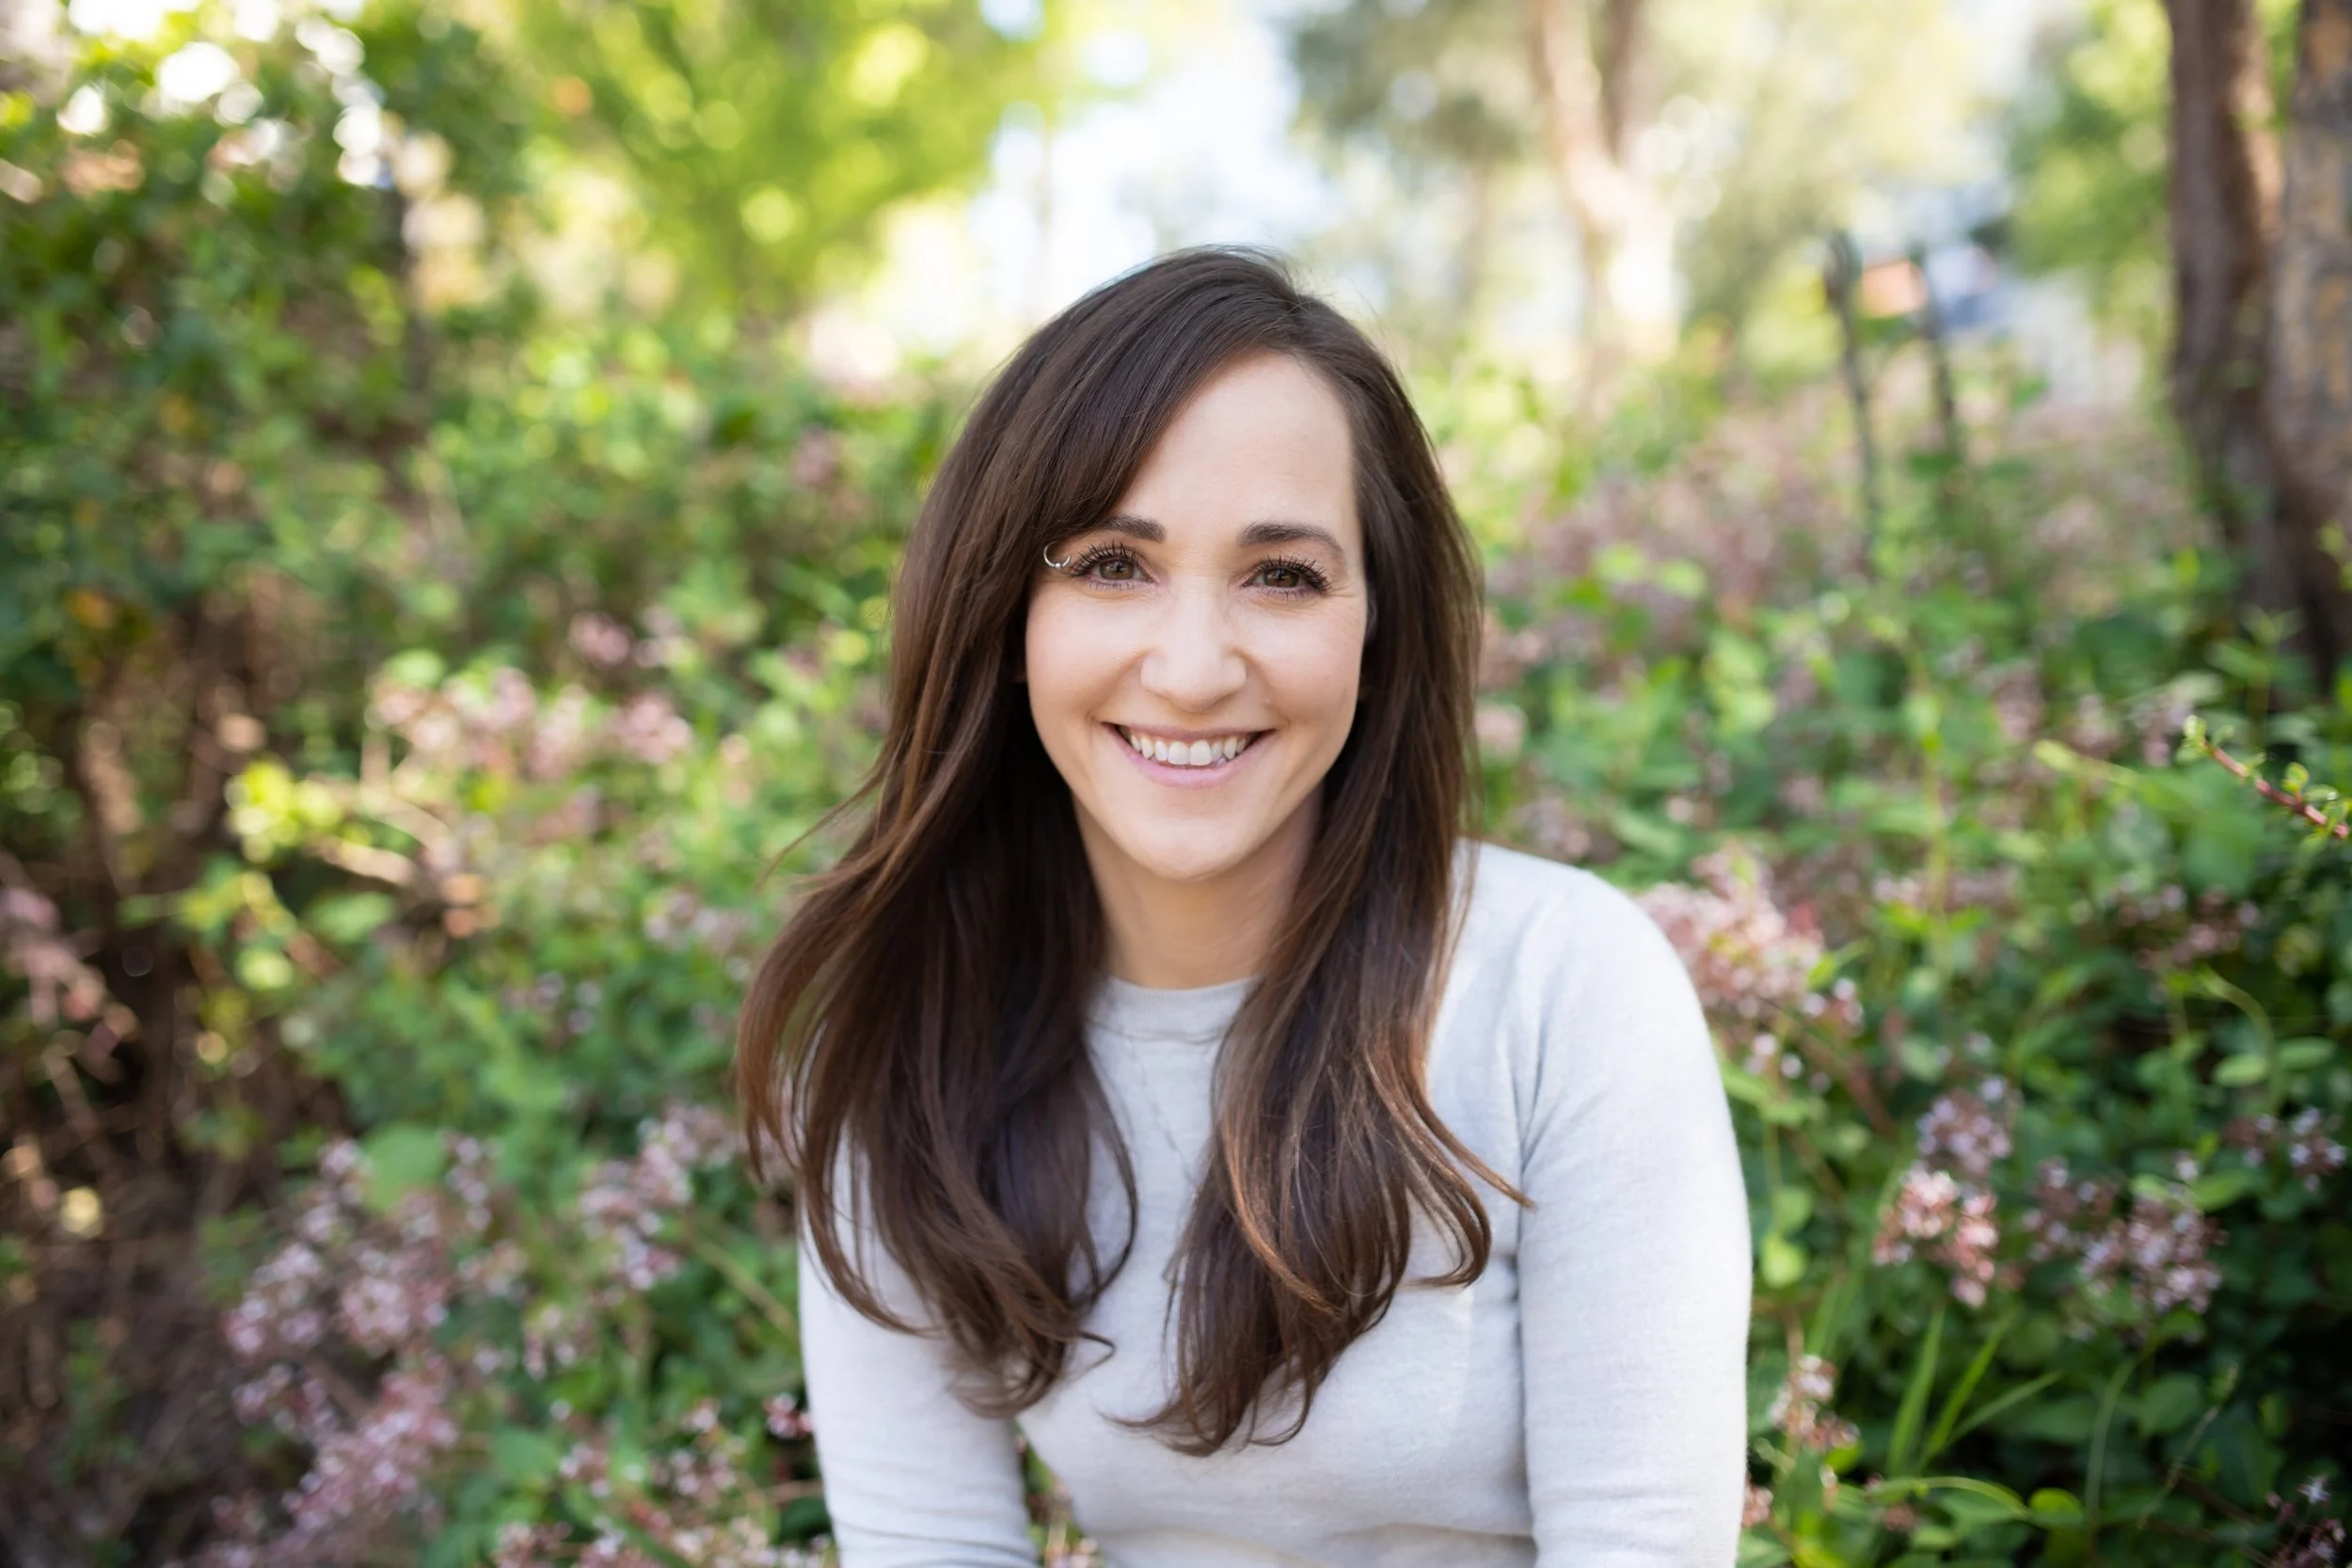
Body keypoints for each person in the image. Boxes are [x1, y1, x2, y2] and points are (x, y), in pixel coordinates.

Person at [735, 246, 1752, 1567]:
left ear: (1377, 626)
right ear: (1003, 611)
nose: (1196, 665)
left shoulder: (1564, 988)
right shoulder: (901, 1062)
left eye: (1282, 575)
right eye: (1113, 563)